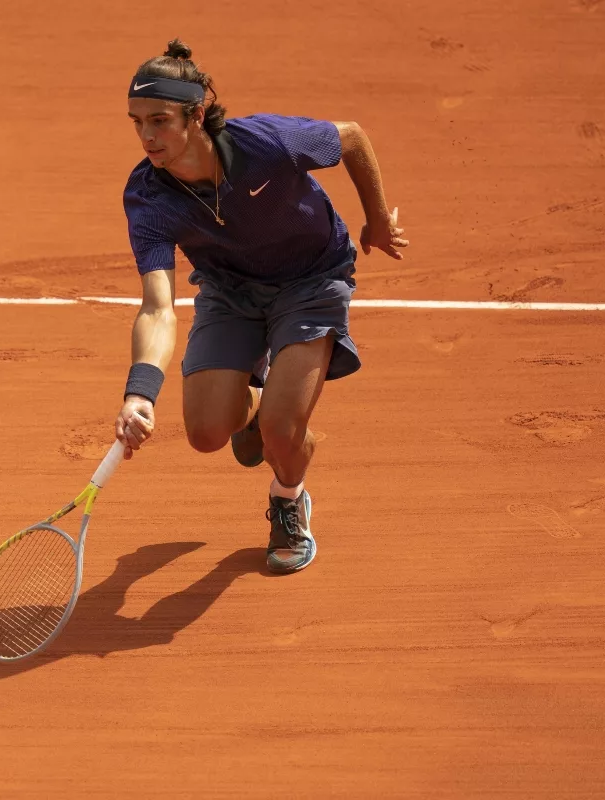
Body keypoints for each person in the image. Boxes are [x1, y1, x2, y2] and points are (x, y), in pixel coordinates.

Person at [114, 39, 408, 574]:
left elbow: (352, 139)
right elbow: (157, 307)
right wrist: (140, 393)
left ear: (197, 114)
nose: (147, 137)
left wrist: (377, 218)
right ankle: (256, 404)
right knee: (206, 433)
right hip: (230, 290)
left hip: (312, 278)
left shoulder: (267, 143)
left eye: (159, 120)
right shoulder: (148, 198)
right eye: (136, 122)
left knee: (282, 431)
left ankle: (288, 497)